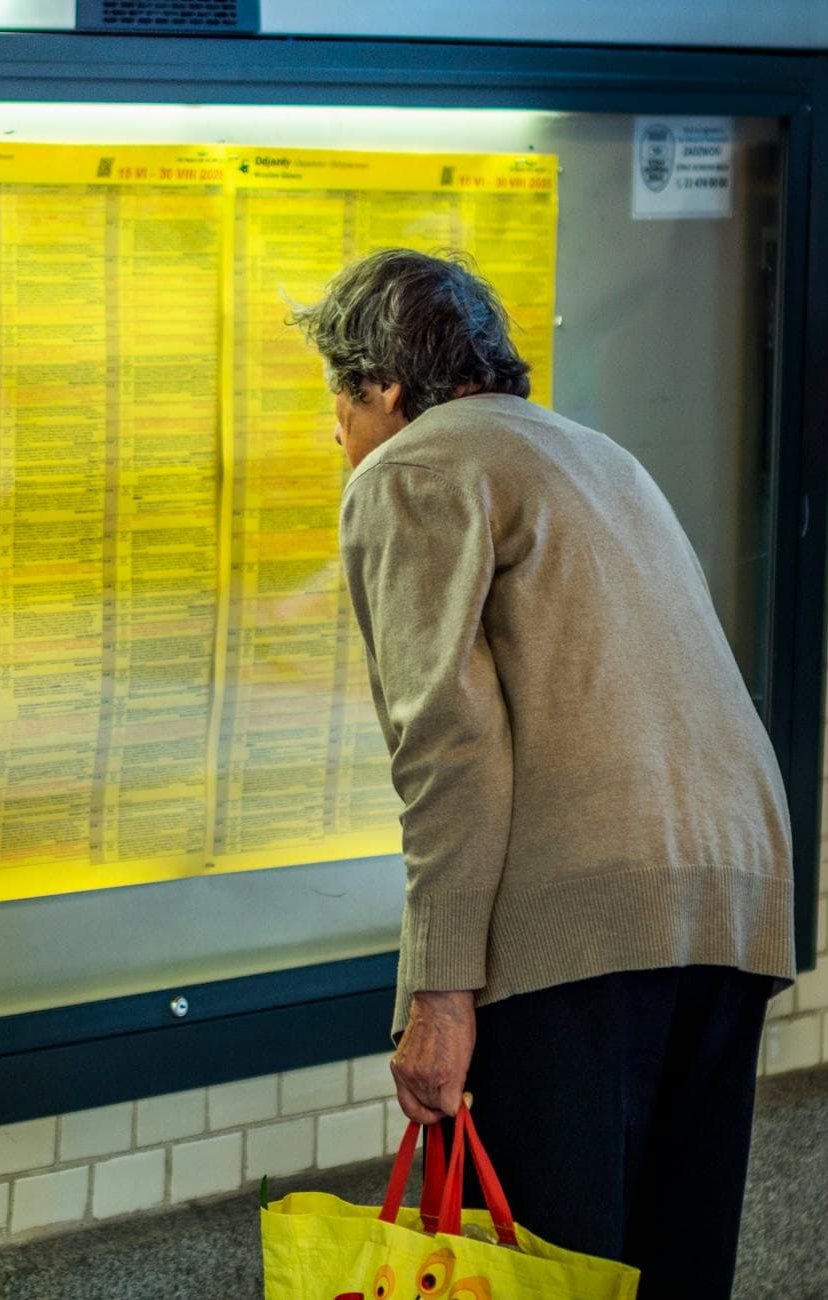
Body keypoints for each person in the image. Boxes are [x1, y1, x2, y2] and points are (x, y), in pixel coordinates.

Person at [289, 248, 796, 1296]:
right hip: (732, 906)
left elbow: (448, 743)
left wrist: (437, 996)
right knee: (674, 1271)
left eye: (336, 403)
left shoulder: (414, 469)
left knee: (549, 1273)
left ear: (382, 385)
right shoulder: (595, 455)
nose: (333, 436)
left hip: (578, 934)